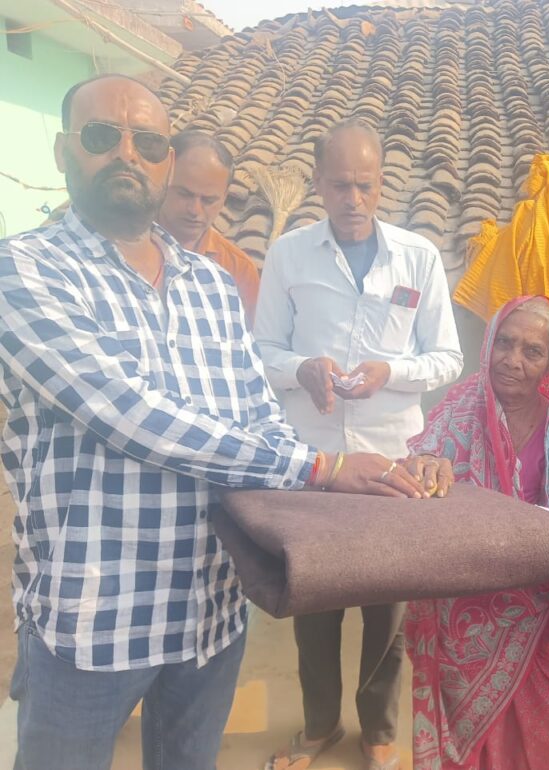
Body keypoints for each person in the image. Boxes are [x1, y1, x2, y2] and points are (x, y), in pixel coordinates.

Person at [0, 75, 433, 770]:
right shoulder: (24, 271)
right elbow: (129, 414)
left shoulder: (208, 283)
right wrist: (318, 467)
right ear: (63, 151)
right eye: (103, 137)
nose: (128, 155)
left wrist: (324, 483)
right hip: (94, 619)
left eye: (149, 143)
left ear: (166, 159)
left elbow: (258, 408)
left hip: (210, 611)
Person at [256, 118, 463, 770]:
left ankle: (378, 732)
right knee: (314, 603)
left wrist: (389, 371)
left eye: (366, 185)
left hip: (393, 460)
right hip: (315, 462)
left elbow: (448, 357)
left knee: (387, 609)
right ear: (319, 182)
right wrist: (302, 369)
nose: (354, 199)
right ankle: (320, 725)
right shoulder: (289, 255)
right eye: (341, 184)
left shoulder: (417, 257)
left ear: (381, 183)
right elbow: (262, 351)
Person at [403, 295, 549, 770]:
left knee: (528, 741)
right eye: (505, 344)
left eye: (532, 351)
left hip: (537, 607)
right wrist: (424, 465)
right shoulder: (459, 408)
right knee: (467, 741)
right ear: (488, 344)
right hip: (464, 608)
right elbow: (419, 463)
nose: (512, 360)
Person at [157, 129, 261, 326]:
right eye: (184, 194)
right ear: (161, 180)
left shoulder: (238, 270)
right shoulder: (122, 244)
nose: (194, 210)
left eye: (208, 200)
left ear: (224, 198)